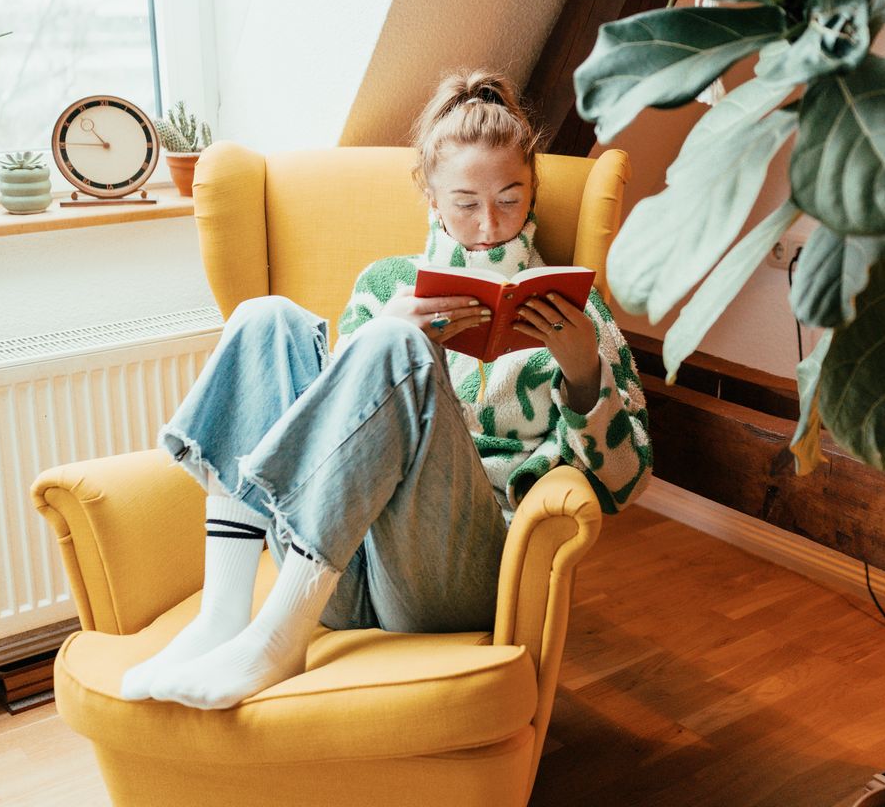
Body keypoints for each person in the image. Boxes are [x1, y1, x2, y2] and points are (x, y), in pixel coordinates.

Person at [118, 69, 653, 710]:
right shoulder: (385, 286)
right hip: (339, 565)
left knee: (396, 346)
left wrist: (584, 375)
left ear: (532, 192)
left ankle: (278, 641)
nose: (489, 225)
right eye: (465, 202)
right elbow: (330, 427)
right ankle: (225, 616)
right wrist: (381, 332)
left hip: (455, 573)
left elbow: (627, 483)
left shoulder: (576, 306)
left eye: (510, 198)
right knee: (267, 319)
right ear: (430, 197)